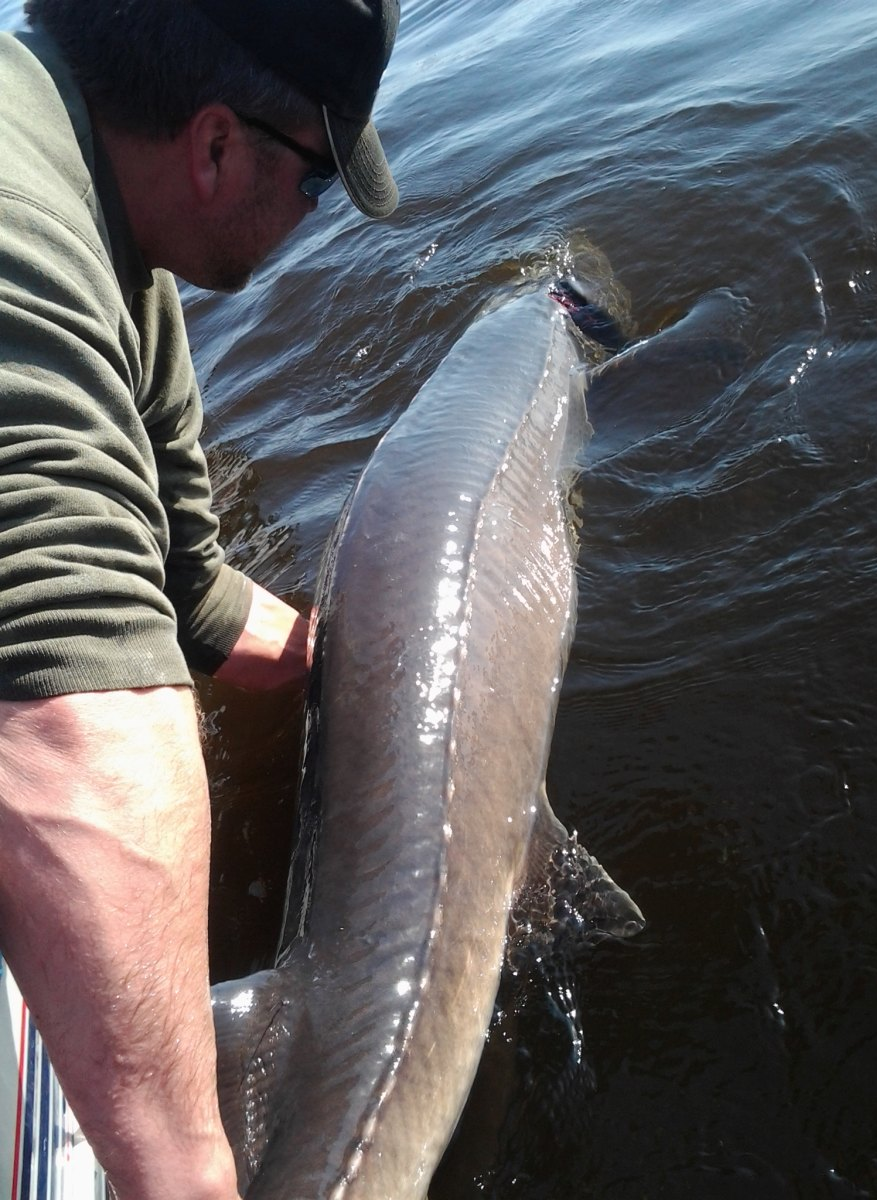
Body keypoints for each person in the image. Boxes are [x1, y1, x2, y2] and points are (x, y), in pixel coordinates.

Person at [0, 0, 400, 1197]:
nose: (314, 221)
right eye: (321, 183)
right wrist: (184, 1170)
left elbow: (184, 595)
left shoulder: (125, 238)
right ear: (219, 146)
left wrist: (354, 661)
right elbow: (77, 721)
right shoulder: (20, 232)